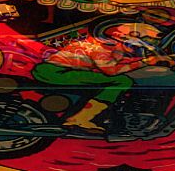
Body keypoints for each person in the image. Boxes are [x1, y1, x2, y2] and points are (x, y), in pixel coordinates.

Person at [32, 21, 164, 131]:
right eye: (135, 46)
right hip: (54, 72)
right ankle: (80, 118)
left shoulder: (107, 47)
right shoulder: (99, 48)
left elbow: (117, 63)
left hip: (56, 71)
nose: (137, 50)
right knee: (122, 81)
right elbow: (111, 71)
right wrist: (144, 63)